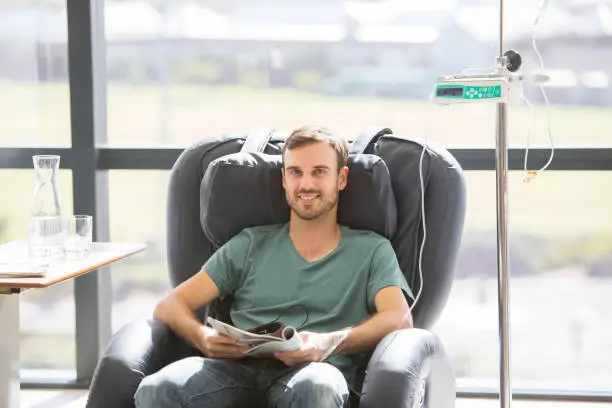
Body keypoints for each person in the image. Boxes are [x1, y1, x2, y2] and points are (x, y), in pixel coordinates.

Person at [134, 125, 414, 408]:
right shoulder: (248, 245)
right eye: (295, 172)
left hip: (313, 370)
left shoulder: (373, 250)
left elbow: (399, 318)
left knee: (317, 388)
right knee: (157, 388)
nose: (306, 184)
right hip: (235, 370)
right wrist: (203, 337)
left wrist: (328, 342)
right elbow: (170, 305)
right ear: (284, 178)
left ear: (341, 179)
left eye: (319, 172)